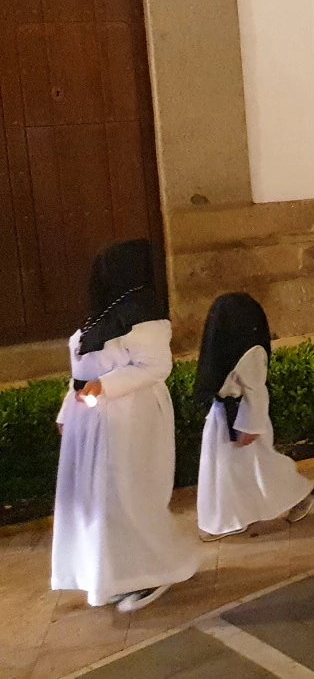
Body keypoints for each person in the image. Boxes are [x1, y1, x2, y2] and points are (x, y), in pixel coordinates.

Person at [52, 240, 197, 613]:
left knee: (129, 495)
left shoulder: (143, 313)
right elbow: (80, 374)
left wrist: (107, 386)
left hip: (131, 418)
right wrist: (68, 411)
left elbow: (155, 366)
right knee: (102, 501)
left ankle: (154, 570)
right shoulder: (101, 316)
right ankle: (119, 574)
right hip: (94, 421)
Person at [195, 293, 314, 540]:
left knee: (258, 467)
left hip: (242, 418)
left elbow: (256, 391)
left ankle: (300, 493)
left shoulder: (249, 352)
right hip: (225, 415)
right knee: (228, 469)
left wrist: (250, 426)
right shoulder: (231, 350)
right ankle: (230, 518)